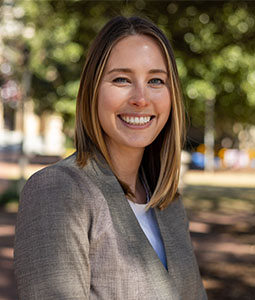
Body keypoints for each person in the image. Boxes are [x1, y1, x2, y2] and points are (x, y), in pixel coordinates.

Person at [14, 16, 207, 299]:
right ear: (93, 91)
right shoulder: (57, 191)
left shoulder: (168, 202)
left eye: (156, 80)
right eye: (121, 79)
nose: (141, 98)